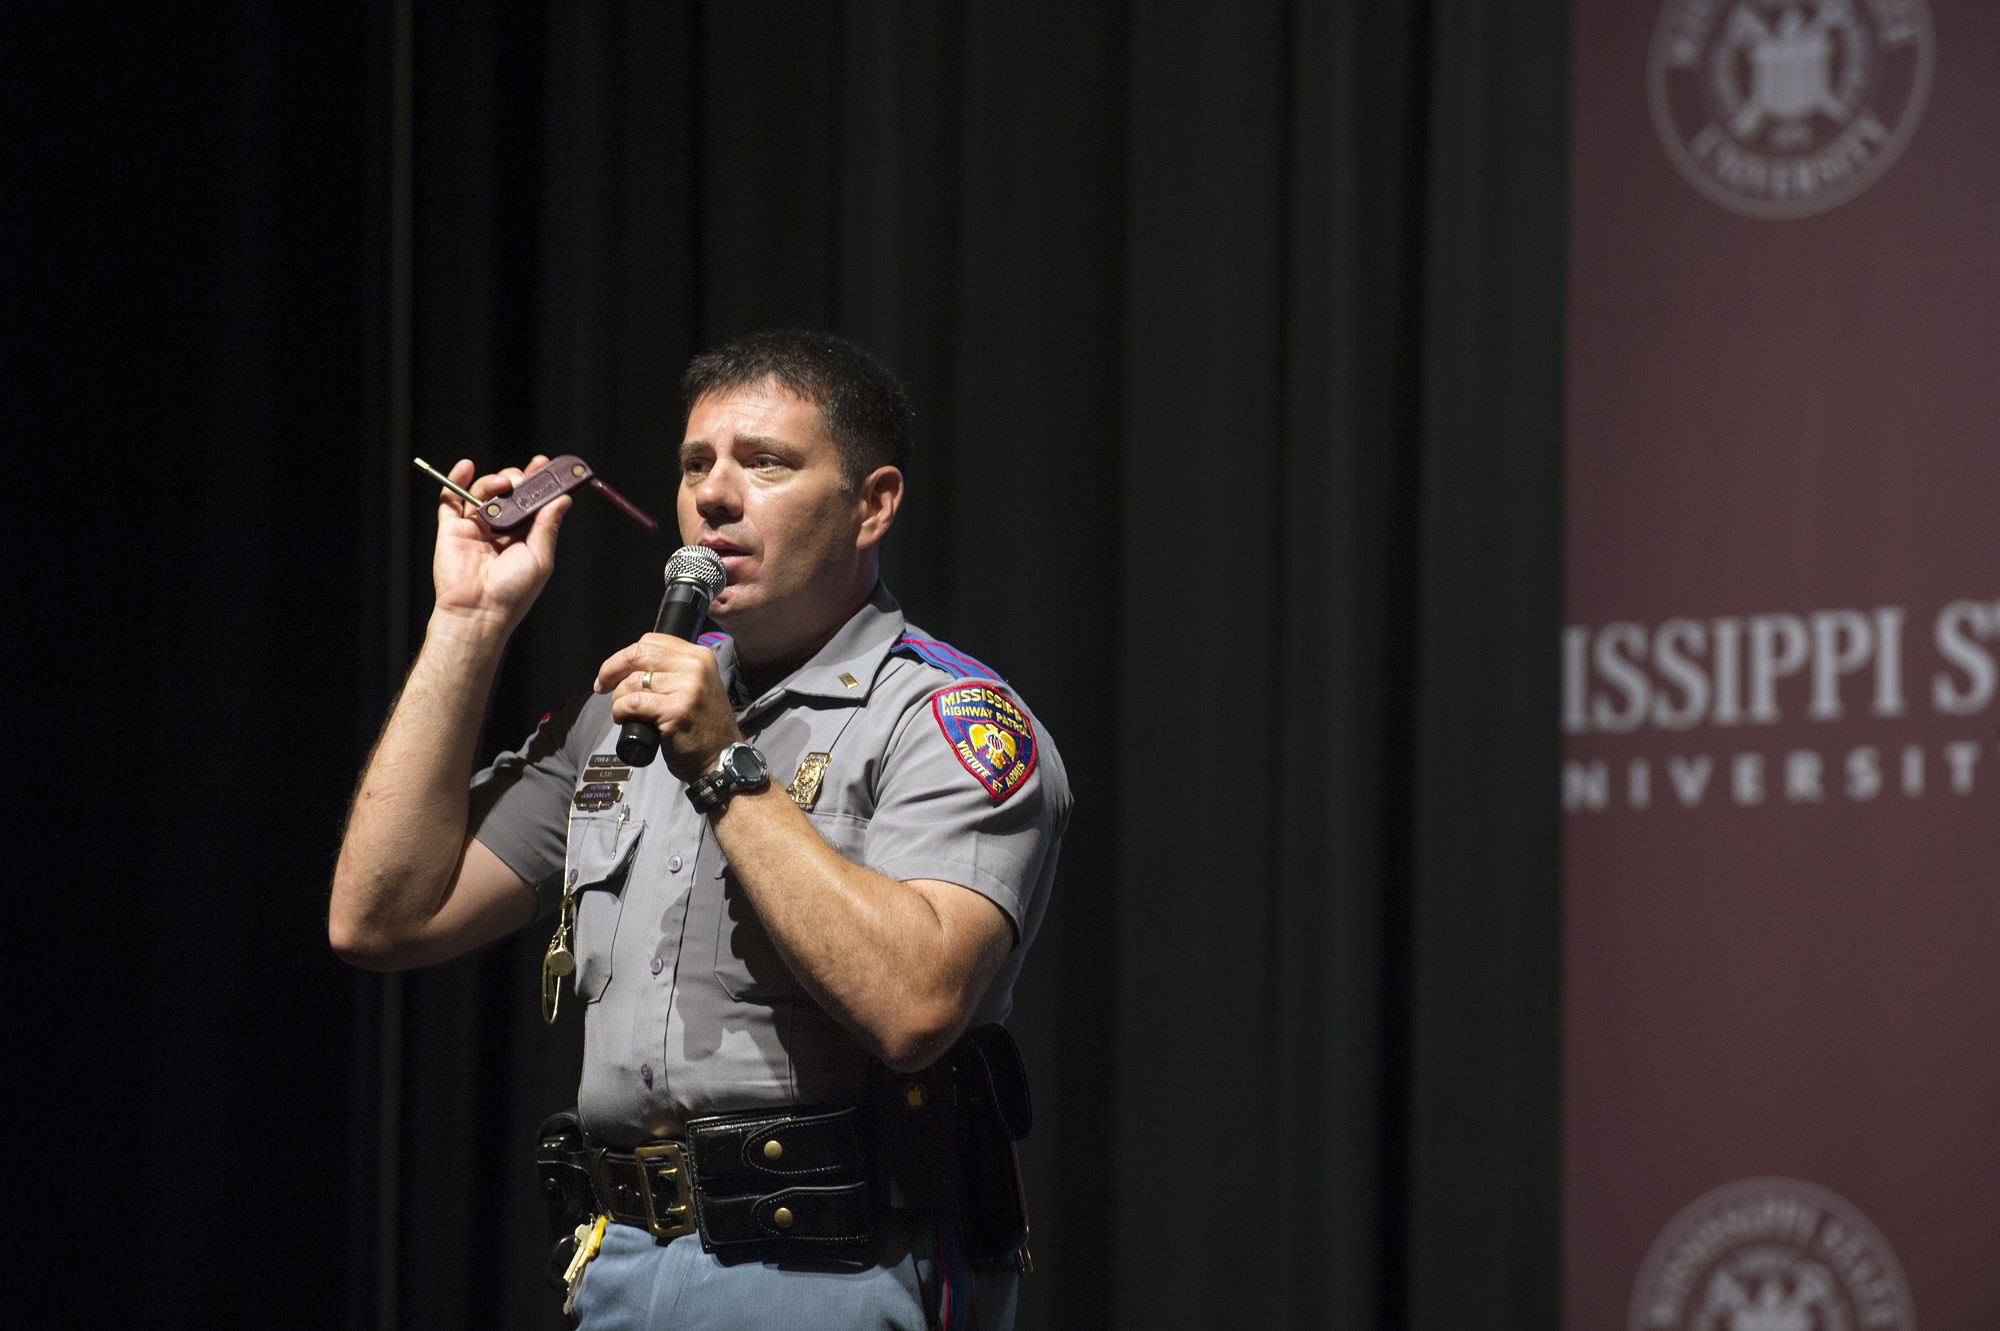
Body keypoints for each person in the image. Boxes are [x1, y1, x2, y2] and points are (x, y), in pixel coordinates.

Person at [329, 330, 1068, 1330]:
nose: (715, 494)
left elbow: (913, 1003)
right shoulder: (622, 712)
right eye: (693, 465)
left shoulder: (946, 719)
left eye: (764, 462)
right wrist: (467, 620)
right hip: (619, 1263)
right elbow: (382, 915)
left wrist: (725, 764)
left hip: (833, 1273)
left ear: (872, 503)